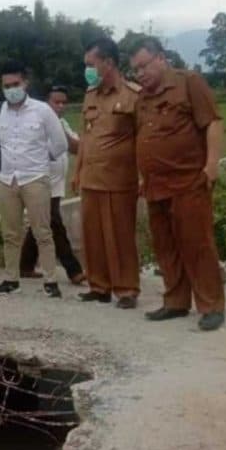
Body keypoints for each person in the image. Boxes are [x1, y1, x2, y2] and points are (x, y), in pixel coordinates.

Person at [130, 37, 225, 331]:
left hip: (188, 181)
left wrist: (211, 166)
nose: (140, 74)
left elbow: (213, 122)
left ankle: (211, 306)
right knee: (165, 246)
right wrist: (143, 176)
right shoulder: (142, 99)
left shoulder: (189, 82)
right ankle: (176, 302)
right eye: (135, 70)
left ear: (161, 58)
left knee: (197, 244)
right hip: (155, 185)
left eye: (144, 66)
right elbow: (144, 139)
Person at [0, 60, 67, 298]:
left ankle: (51, 281)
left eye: (15, 84)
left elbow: (60, 143)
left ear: (25, 83)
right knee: (10, 234)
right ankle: (11, 279)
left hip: (35, 178)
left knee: (43, 232)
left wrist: (42, 158)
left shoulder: (42, 110)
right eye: (7, 86)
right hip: (7, 180)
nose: (11, 89)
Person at [71, 37, 141, 308]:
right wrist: (77, 172)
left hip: (119, 179)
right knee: (93, 236)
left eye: (91, 64)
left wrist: (144, 175)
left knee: (121, 236)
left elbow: (144, 139)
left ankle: (127, 289)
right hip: (91, 178)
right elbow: (85, 137)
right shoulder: (90, 95)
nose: (87, 70)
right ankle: (99, 286)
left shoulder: (132, 95)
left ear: (108, 62)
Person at [19, 84, 85, 284]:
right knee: (55, 224)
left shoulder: (62, 123)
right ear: (46, 103)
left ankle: (25, 266)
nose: (60, 106)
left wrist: (60, 130)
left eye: (64, 103)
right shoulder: (35, 125)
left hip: (57, 185)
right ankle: (73, 270)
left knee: (40, 223)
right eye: (56, 102)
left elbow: (76, 148)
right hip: (40, 183)